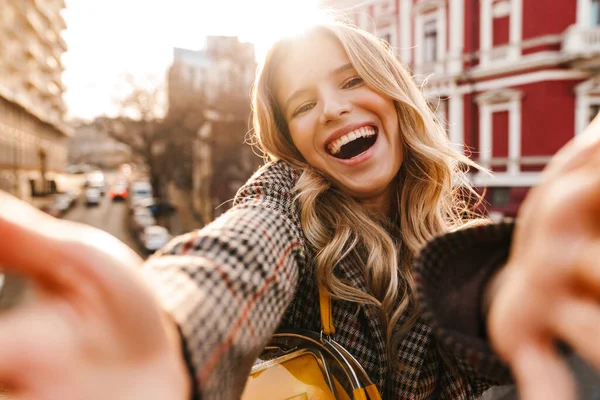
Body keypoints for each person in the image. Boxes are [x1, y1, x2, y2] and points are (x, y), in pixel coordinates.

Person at [0, 17, 599, 400]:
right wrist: (172, 333)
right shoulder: (286, 199)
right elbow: (235, 256)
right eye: (304, 104)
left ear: (394, 94)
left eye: (351, 82)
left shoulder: (445, 232)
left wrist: (514, 286)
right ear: (290, 136)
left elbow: (469, 299)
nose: (334, 109)